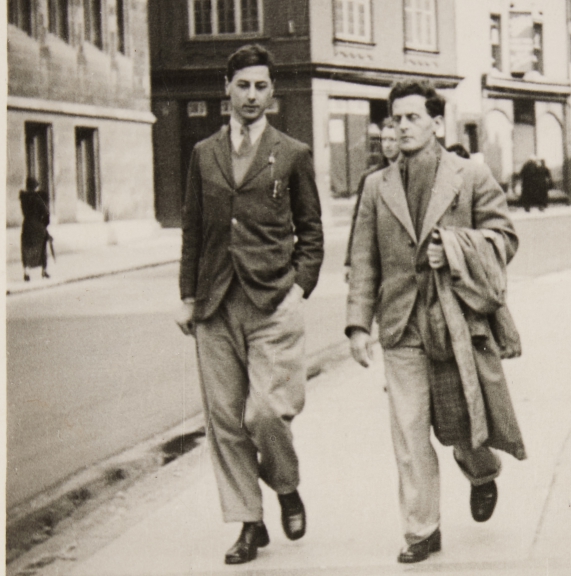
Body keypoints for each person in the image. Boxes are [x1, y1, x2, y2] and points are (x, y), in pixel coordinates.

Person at [346, 80, 526, 564]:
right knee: (408, 430)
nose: (402, 127)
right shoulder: (375, 186)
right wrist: (359, 325)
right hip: (400, 325)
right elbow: (364, 261)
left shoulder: (469, 176)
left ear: (436, 123)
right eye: (396, 119)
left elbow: (504, 238)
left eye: (412, 118)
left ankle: (482, 471)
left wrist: (455, 247)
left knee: (464, 421)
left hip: (453, 322)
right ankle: (422, 530)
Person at [175, 44, 324, 566]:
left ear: (273, 93)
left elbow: (311, 231)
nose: (253, 96)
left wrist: (298, 286)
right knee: (225, 421)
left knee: (264, 413)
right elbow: (193, 228)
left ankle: (285, 485)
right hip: (215, 303)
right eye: (244, 85)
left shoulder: (292, 153)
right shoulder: (203, 154)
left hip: (272, 302)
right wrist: (188, 296)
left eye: (262, 86)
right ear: (227, 89)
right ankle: (248, 522)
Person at [345, 118, 400, 269]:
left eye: (393, 140)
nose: (387, 145)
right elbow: (359, 220)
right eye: (384, 140)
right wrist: (350, 261)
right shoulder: (371, 177)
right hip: (379, 251)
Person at [19, 177, 52, 281]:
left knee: (26, 248)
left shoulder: (23, 198)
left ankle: (26, 272)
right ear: (35, 187)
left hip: (27, 225)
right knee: (42, 247)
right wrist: (45, 225)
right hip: (38, 225)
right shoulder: (38, 199)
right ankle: (44, 271)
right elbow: (46, 213)